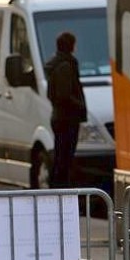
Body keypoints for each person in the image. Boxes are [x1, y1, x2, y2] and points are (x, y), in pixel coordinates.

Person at [44, 31, 87, 188]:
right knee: (65, 158)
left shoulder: (58, 64)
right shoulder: (65, 66)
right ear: (70, 46)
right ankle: (61, 189)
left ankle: (58, 187)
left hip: (60, 117)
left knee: (61, 156)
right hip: (67, 119)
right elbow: (64, 95)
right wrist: (80, 105)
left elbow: (53, 94)